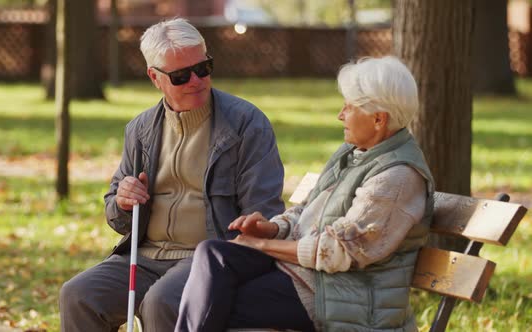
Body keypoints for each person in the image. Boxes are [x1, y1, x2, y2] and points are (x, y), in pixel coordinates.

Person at [174, 56, 435, 332]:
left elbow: (337, 251)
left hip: (343, 297)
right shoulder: (353, 153)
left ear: (379, 119)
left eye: (349, 106)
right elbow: (308, 210)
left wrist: (261, 246)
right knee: (214, 253)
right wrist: (272, 229)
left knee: (218, 304)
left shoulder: (397, 177)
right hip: (304, 275)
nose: (341, 114)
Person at [59, 18, 285, 332]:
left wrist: (252, 230)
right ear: (155, 77)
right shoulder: (140, 130)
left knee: (160, 301)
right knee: (78, 295)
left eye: (203, 68)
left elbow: (265, 211)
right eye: (180, 76)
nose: (196, 80)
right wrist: (123, 202)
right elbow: (117, 218)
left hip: (208, 258)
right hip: (145, 257)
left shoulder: (247, 124)